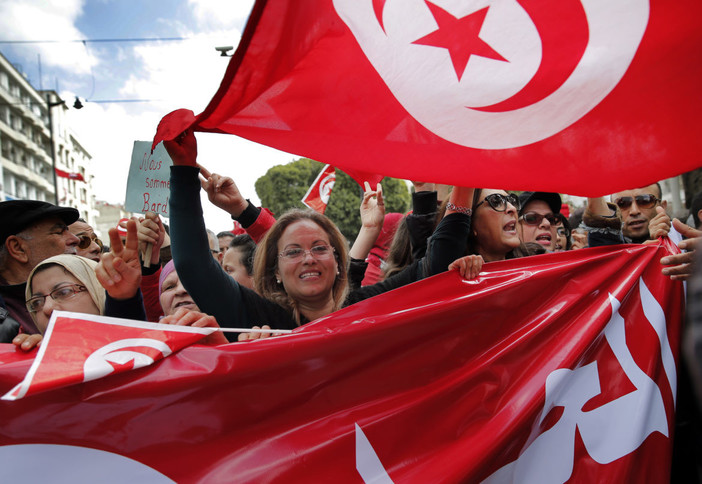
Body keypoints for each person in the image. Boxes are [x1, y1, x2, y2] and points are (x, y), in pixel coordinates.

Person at [163, 131, 479, 335]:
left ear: (340, 263)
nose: (308, 259)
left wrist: (466, 174)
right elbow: (194, 265)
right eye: (293, 251)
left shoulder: (364, 305)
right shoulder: (257, 317)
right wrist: (183, 171)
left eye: (319, 248)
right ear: (275, 271)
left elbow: (434, 266)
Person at [0, 200, 79, 339]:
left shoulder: (95, 289)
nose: (75, 239)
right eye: (59, 232)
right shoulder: (4, 327)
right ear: (18, 248)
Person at [13, 254, 106, 351]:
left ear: (98, 291)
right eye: (37, 302)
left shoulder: (122, 353)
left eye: (63, 292)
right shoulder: (38, 360)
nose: (47, 308)